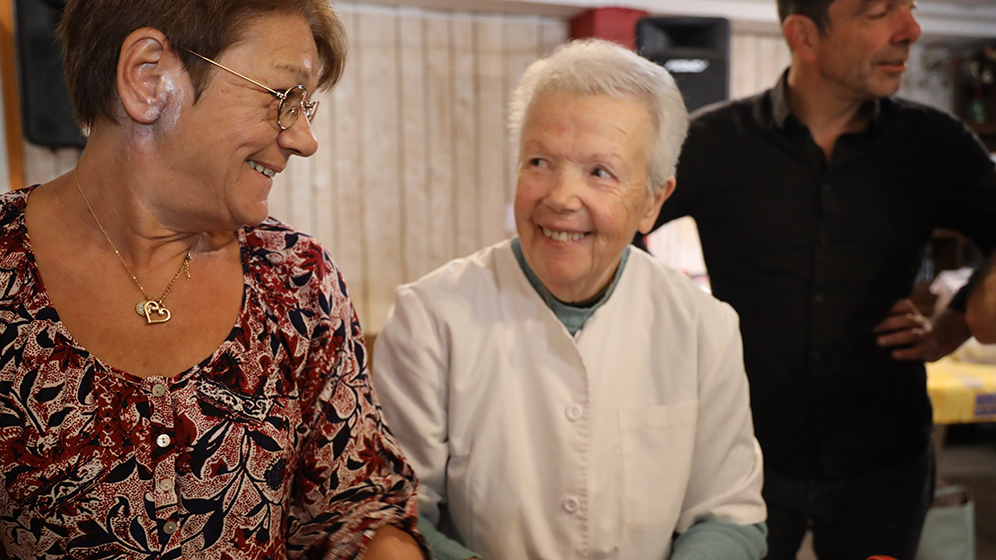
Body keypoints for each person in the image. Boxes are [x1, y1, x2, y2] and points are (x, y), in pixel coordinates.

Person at [0, 0, 427, 558]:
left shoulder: (297, 279)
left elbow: (353, 508)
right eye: (283, 98)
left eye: (307, 106)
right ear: (148, 78)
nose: (304, 138)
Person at [372, 39, 767, 560]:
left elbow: (728, 518)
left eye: (599, 172)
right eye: (539, 162)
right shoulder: (431, 317)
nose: (560, 197)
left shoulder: (702, 327)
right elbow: (396, 515)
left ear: (653, 202)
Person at [649, 0, 996, 558]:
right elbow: (621, 230)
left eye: (907, 8)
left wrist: (951, 326)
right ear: (804, 36)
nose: (911, 30)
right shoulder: (713, 143)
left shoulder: (934, 145)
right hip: (746, 457)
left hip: (885, 458)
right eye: (879, 12)